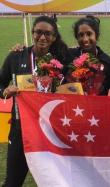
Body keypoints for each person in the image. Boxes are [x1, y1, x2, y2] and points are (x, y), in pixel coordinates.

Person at [0, 15, 68, 187]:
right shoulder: (16, 56)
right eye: (38, 32)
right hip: (21, 129)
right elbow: (0, 84)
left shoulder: (62, 59)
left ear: (54, 37)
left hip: (50, 131)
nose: (42, 37)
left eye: (47, 33)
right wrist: (5, 92)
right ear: (32, 33)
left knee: (55, 182)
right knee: (13, 181)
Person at [68, 15, 110, 96]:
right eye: (81, 35)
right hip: (74, 107)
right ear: (76, 37)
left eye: (89, 34)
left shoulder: (108, 62)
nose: (85, 39)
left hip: (99, 108)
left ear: (97, 35)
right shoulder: (70, 56)